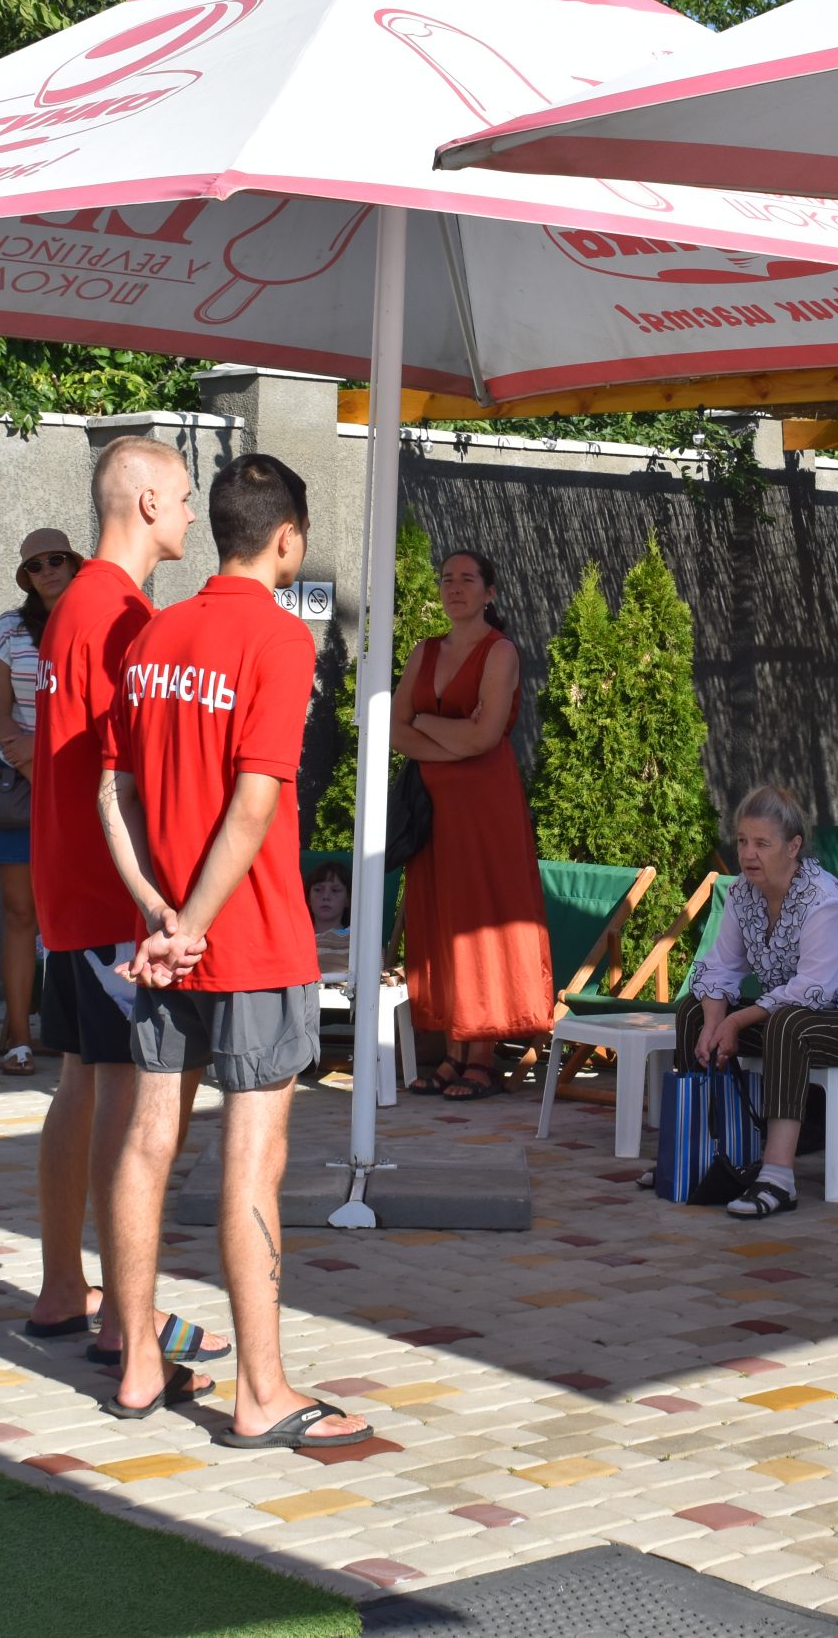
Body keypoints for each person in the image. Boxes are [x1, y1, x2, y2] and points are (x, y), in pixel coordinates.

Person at [97, 451, 372, 1447]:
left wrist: (158, 914)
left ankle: (137, 1363)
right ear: (288, 540)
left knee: (146, 1142)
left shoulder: (153, 634)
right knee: (251, 1161)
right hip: (248, 938)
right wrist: (197, 925)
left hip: (167, 937)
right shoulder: (280, 637)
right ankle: (261, 1392)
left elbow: (114, 793)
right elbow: (255, 805)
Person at [19, 438, 226, 1374]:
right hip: (111, 895)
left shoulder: (74, 605)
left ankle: (67, 1288)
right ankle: (120, 1319)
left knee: (81, 1082)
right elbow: (125, 780)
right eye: (181, 496)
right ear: (145, 502)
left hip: (70, 885)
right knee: (126, 1098)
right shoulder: (122, 614)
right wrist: (162, 898)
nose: (190, 514)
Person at [669, 785, 838, 1220]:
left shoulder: (824, 900)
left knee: (788, 1024)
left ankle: (778, 1177)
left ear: (793, 846)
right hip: (805, 1015)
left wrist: (736, 1021)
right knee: (693, 1011)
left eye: (762, 843)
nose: (749, 854)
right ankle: (702, 1156)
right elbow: (721, 967)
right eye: (742, 841)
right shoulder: (743, 893)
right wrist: (714, 1023)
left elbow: (811, 989)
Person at [394, 550, 553, 1100]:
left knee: (480, 915)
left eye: (467, 579)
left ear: (490, 591)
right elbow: (396, 730)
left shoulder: (500, 650)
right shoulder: (424, 651)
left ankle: (481, 1056)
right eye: (447, 579)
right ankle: (453, 1051)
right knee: (442, 916)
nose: (455, 587)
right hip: (433, 807)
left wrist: (427, 724)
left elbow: (485, 738)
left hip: (485, 805)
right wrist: (452, 737)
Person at [0, 526, 81, 1076]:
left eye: (56, 560)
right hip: (17, 781)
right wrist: (31, 763)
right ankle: (18, 1034)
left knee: (67, 912)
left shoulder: (91, 622)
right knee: (21, 912)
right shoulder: (9, 627)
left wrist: (47, 759)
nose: (47, 570)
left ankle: (63, 1028)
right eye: (35, 565)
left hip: (74, 779)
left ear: (73, 563)